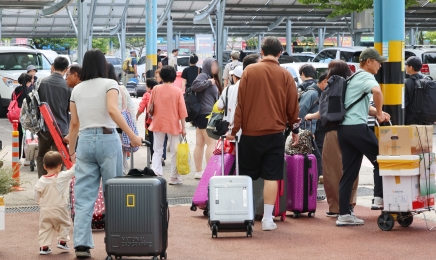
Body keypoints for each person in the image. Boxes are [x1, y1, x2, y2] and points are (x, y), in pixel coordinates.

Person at [67, 49, 142, 258]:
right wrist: (132, 135)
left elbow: (74, 124)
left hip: (84, 141)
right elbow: (112, 110)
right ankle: (116, 242)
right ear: (102, 64)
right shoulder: (110, 84)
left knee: (83, 195)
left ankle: (82, 245)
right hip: (108, 139)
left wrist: (71, 150)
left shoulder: (77, 89)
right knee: (114, 193)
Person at [226, 37, 300, 231]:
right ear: (280, 53)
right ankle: (268, 219)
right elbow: (293, 107)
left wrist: (233, 131)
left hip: (250, 133)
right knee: (271, 176)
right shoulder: (285, 75)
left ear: (261, 50)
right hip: (275, 133)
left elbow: (239, 104)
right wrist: (294, 129)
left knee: (247, 177)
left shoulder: (250, 71)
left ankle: (246, 215)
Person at [336, 48, 390, 226]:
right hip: (357, 128)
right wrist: (380, 113)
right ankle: (378, 198)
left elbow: (359, 106)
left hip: (344, 129)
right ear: (368, 61)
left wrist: (378, 113)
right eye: (378, 61)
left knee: (349, 173)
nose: (380, 65)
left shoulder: (354, 77)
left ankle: (343, 214)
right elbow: (378, 92)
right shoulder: (367, 77)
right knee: (382, 158)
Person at [147, 65, 188, 184]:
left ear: (162, 76)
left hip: (158, 122)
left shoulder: (155, 89)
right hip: (173, 123)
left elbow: (150, 107)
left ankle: (156, 173)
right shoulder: (178, 91)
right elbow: (182, 111)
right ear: (174, 77)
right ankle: (174, 177)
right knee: (175, 151)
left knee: (157, 150)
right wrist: (184, 128)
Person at [34, 151, 75, 255]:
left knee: (45, 227)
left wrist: (39, 202)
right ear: (60, 166)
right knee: (64, 224)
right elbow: (73, 171)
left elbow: (37, 193)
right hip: (60, 207)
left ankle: (44, 247)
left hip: (45, 209)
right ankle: (62, 241)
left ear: (44, 166)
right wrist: (76, 162)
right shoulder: (61, 177)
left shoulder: (41, 180)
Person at [37, 56, 71, 178]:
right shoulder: (67, 86)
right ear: (66, 69)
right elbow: (70, 108)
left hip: (44, 126)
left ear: (52, 67)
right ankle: (58, 184)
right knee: (60, 157)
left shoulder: (41, 82)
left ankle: (42, 183)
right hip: (61, 128)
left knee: (42, 155)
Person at [191, 58, 223, 179]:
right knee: (211, 143)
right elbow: (195, 86)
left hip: (202, 114)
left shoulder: (209, 76)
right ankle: (210, 172)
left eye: (216, 65)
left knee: (200, 143)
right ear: (208, 66)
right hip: (206, 114)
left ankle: (199, 171)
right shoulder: (204, 76)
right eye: (214, 65)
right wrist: (209, 83)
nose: (216, 67)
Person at [298, 73, 328, 200]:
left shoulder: (316, 93)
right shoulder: (313, 94)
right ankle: (311, 192)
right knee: (315, 159)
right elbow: (300, 112)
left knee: (312, 160)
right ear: (324, 81)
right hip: (304, 133)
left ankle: (309, 191)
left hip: (307, 132)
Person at [107, 62, 136, 175]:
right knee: (120, 163)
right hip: (120, 131)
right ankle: (119, 185)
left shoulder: (99, 89)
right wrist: (132, 130)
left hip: (104, 131)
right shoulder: (121, 89)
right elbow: (131, 110)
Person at [217, 66, 243, 138]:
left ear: (235, 77)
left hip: (229, 126)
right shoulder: (248, 88)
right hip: (244, 129)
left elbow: (219, 107)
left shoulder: (228, 89)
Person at [137, 79, 159, 164]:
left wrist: (136, 116)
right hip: (160, 121)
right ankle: (161, 157)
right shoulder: (159, 93)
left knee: (152, 140)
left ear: (149, 86)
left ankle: (153, 158)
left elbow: (141, 107)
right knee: (161, 140)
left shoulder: (147, 95)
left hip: (150, 122)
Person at [404, 56, 430, 125]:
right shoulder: (427, 80)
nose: (405, 67)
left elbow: (405, 103)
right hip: (425, 119)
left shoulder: (407, 83)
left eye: (406, 65)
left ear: (411, 68)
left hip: (411, 119)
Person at [14, 73, 32, 162]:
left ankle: (16, 158)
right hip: (26, 118)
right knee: (27, 137)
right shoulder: (28, 91)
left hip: (16, 118)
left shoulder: (15, 90)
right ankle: (26, 157)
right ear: (28, 82)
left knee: (18, 137)